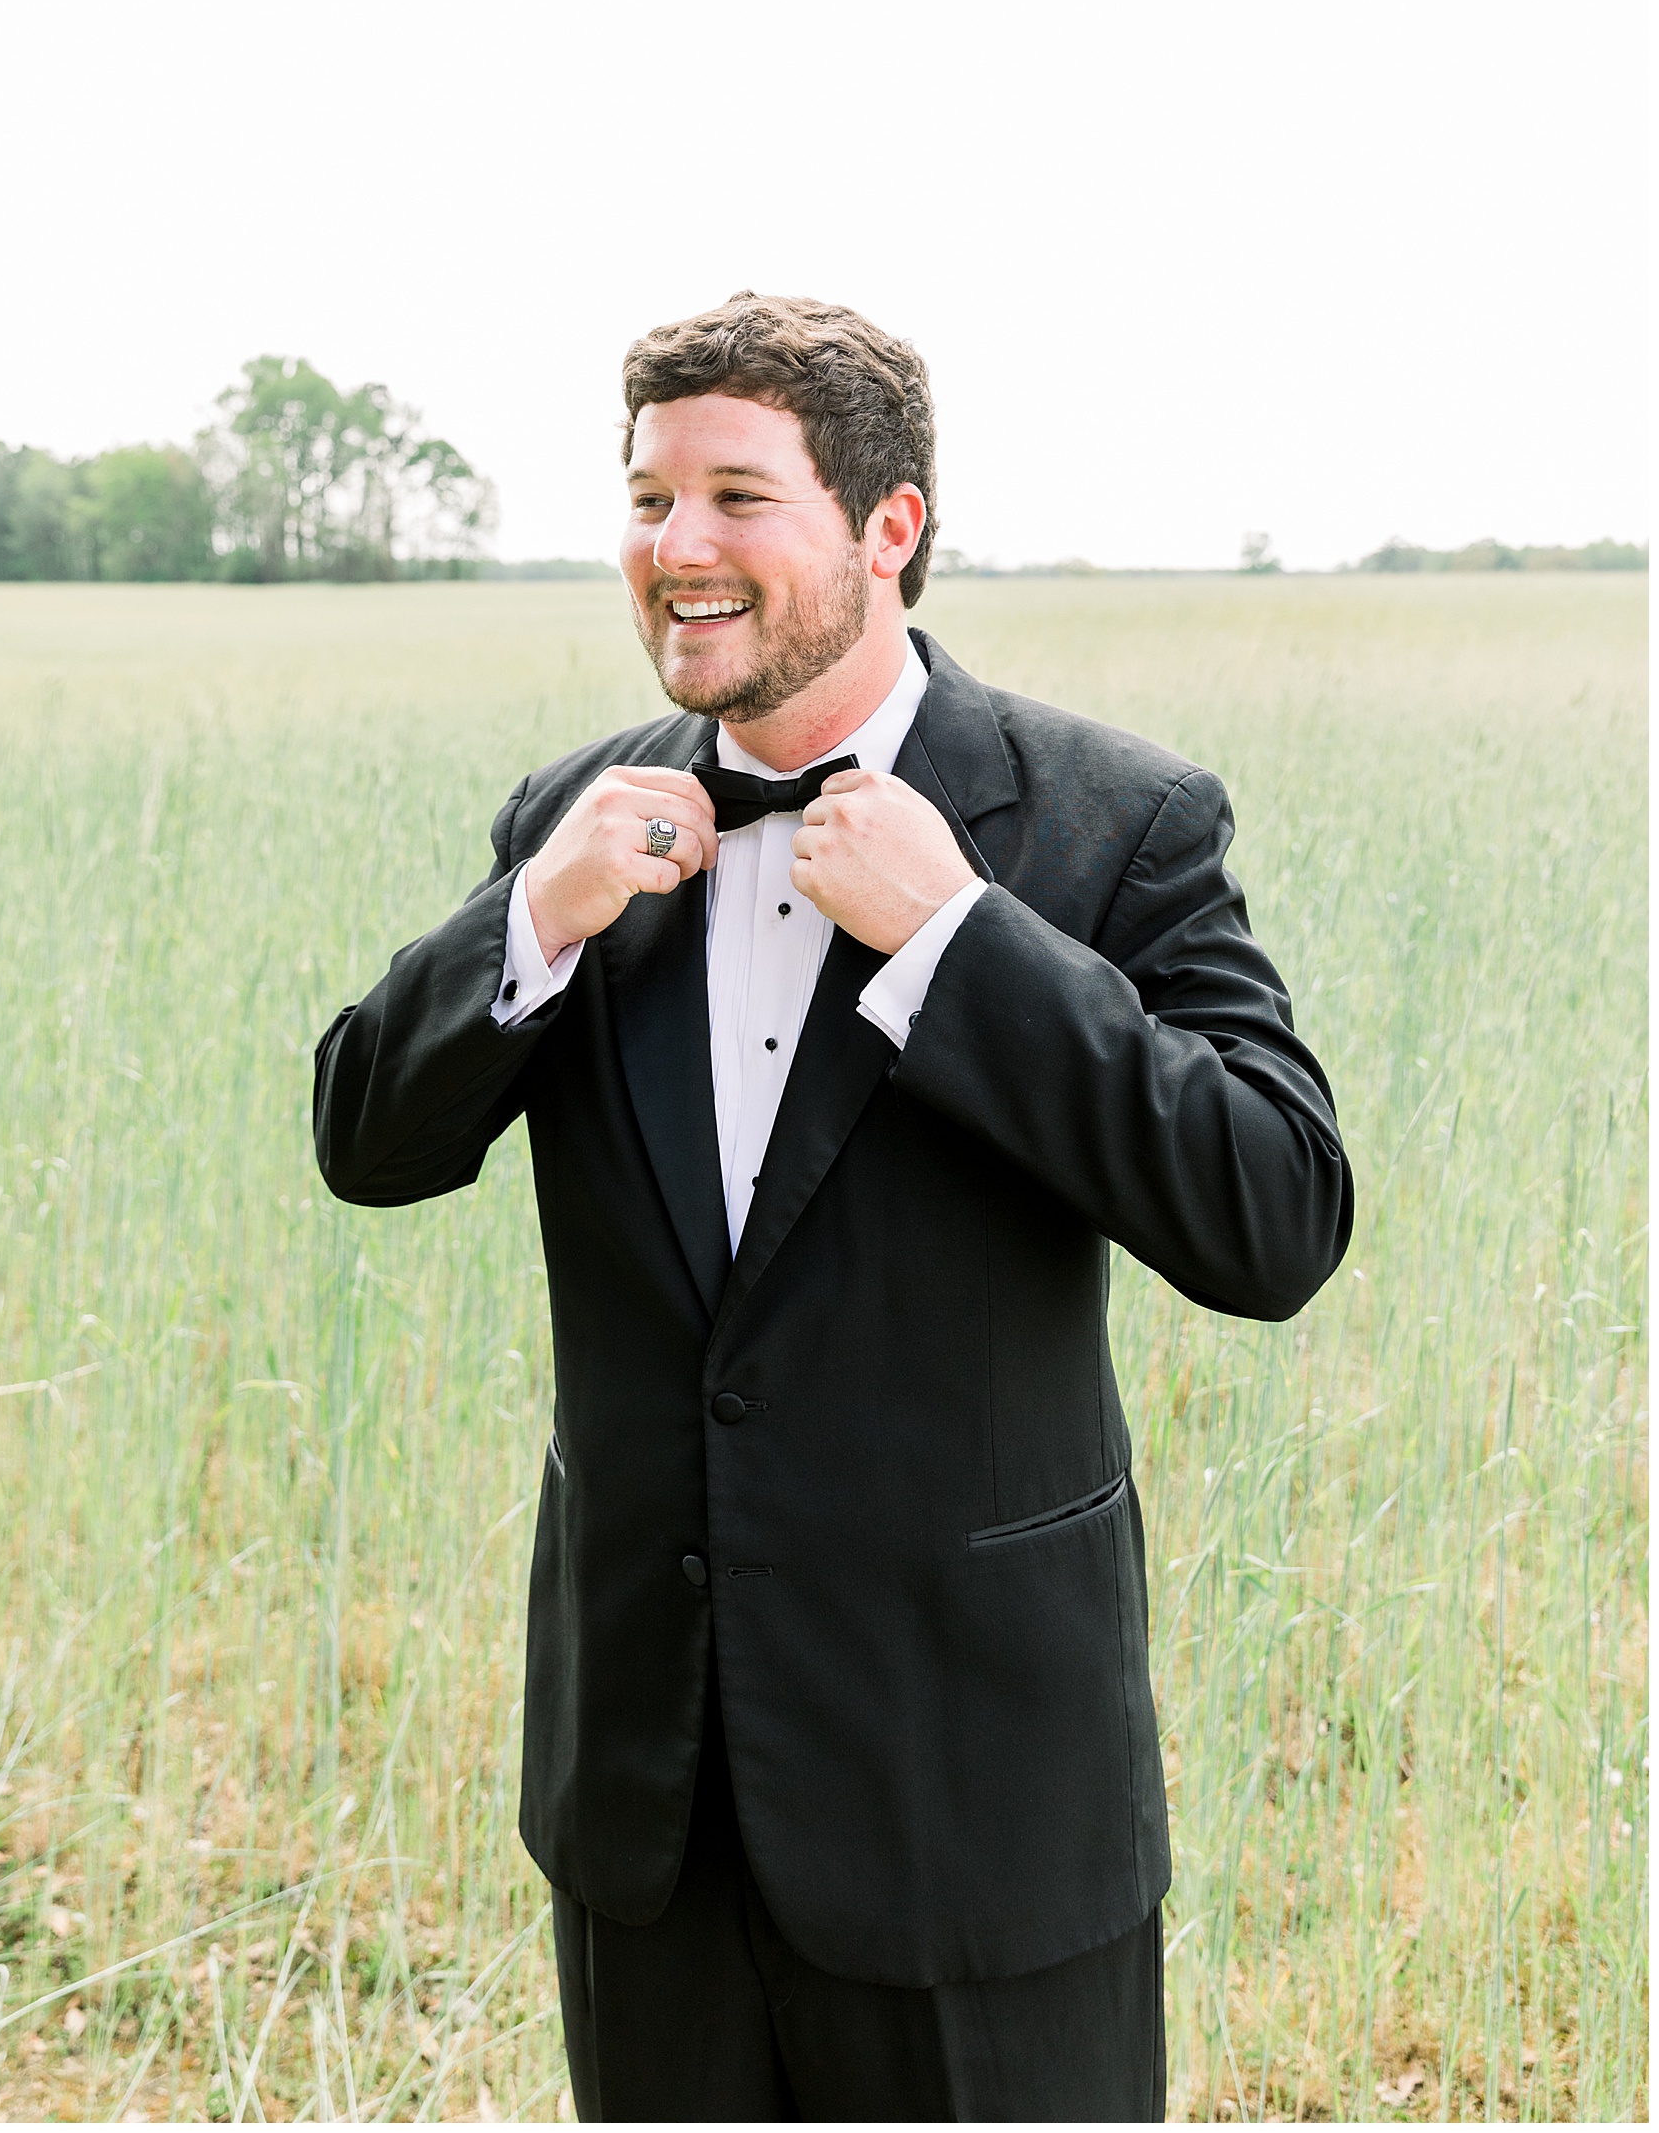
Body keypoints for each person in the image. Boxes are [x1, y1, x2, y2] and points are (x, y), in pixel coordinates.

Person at [314, 292, 1353, 2122]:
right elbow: (366, 1138)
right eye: (649, 498)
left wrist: (959, 937)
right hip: (647, 1810)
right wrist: (535, 916)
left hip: (977, 1811)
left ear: (890, 526)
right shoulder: (575, 819)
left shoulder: (1113, 820)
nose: (676, 546)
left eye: (737, 496)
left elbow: (1275, 1211)